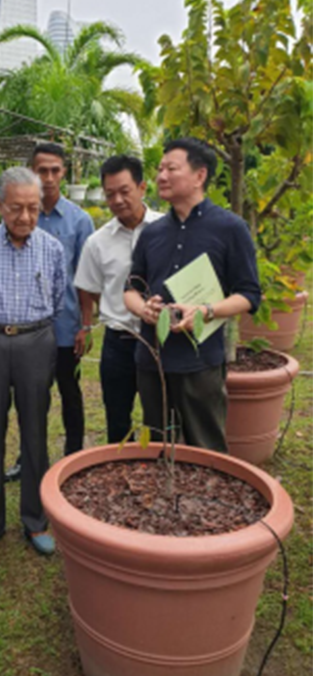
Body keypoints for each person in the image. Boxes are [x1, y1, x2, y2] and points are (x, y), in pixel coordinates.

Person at [124, 138, 261, 452]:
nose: (161, 176)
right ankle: (164, 501)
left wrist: (205, 311)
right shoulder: (153, 232)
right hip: (152, 361)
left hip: (200, 363)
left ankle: (209, 501)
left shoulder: (231, 228)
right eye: (159, 169)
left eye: (171, 168)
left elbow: (249, 295)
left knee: (206, 447)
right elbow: (130, 289)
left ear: (200, 176)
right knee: (158, 445)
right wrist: (143, 308)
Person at [0, 167, 66, 559]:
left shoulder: (52, 248)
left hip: (35, 343)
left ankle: (35, 521)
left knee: (35, 433)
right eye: (16, 208)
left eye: (33, 208)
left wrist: (31, 334)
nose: (25, 217)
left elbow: (58, 300)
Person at [4, 143, 94, 481]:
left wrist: (85, 324)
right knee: (29, 398)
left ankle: (74, 460)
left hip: (65, 327)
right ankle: (27, 459)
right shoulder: (18, 215)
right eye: (42, 170)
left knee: (70, 394)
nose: (50, 177)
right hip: (26, 329)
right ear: (31, 172)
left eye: (56, 170)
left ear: (64, 173)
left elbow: (86, 279)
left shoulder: (79, 221)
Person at [75, 155, 162, 443]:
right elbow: (90, 287)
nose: (118, 200)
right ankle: (120, 477)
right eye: (110, 193)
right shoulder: (97, 242)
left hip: (161, 340)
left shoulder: (168, 229)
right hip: (118, 343)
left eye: (125, 191)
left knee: (161, 417)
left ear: (142, 187)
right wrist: (102, 315)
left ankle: (159, 474)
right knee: (117, 418)